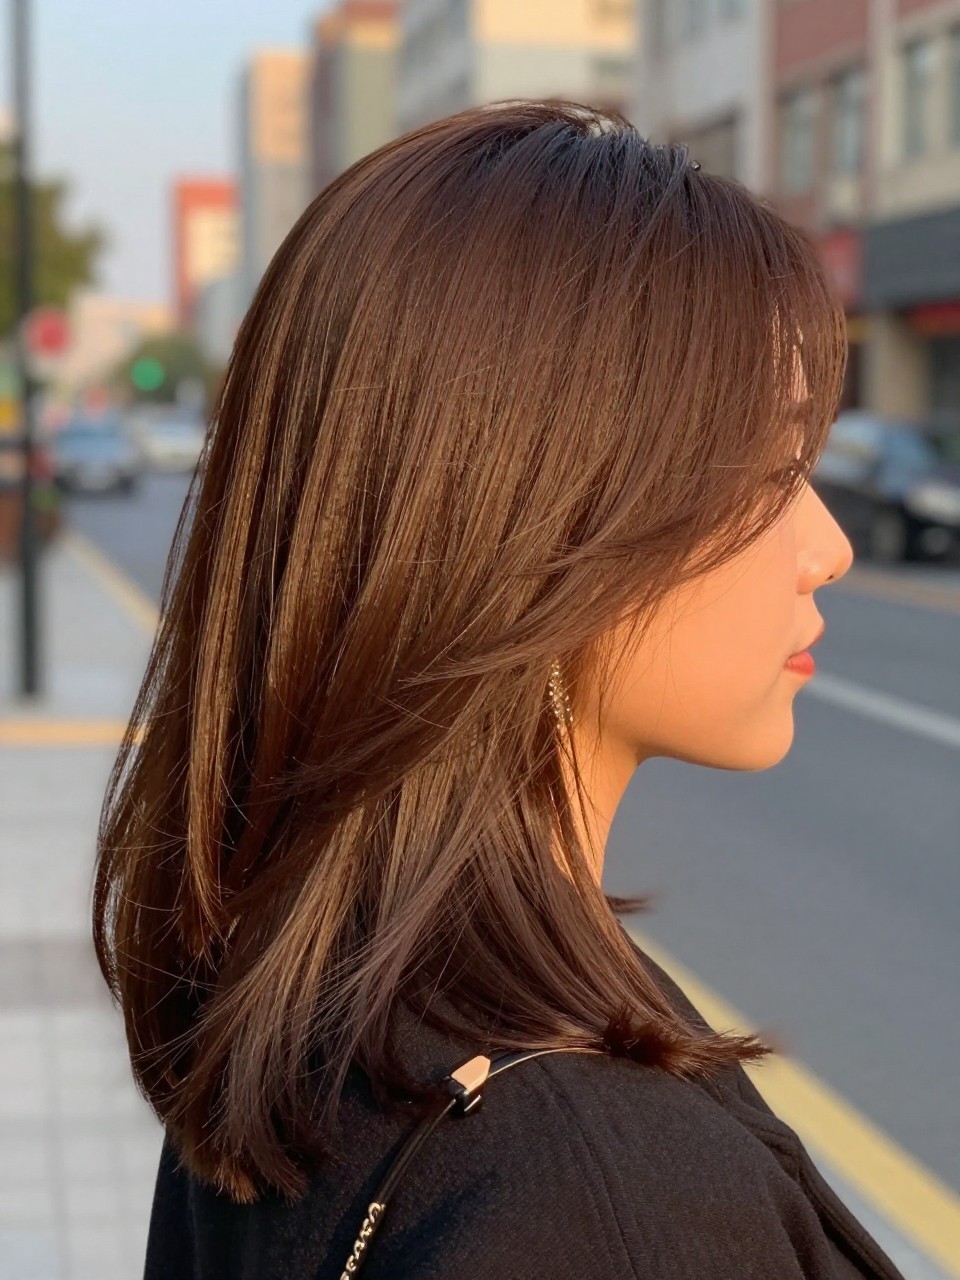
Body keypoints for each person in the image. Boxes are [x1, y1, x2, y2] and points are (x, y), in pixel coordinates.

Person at [93, 101, 904, 1278]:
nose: (825, 544)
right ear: (546, 514)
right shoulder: (612, 1203)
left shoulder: (306, 993)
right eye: (775, 464)